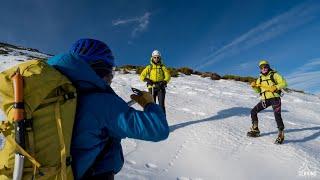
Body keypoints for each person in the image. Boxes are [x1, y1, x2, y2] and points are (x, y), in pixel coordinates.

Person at [48, 39, 169, 180]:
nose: (111, 78)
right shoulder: (102, 102)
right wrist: (149, 104)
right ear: (99, 69)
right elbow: (159, 129)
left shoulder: (57, 95)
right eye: (110, 71)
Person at [248, 60, 287, 144]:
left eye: (265, 66)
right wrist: (254, 86)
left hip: (275, 98)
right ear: (260, 69)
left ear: (268, 66)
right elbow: (258, 90)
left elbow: (284, 83)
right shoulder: (260, 79)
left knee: (277, 115)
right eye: (262, 67)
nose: (264, 68)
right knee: (253, 111)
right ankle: (255, 129)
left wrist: (276, 87)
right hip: (265, 100)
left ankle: (281, 135)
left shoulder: (274, 75)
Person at [140, 50, 171, 114]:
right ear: (152, 58)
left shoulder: (163, 67)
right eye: (155, 57)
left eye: (158, 57)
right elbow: (142, 76)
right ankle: (153, 121)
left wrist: (164, 82)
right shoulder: (149, 67)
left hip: (160, 87)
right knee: (152, 105)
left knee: (161, 105)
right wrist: (147, 80)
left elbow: (168, 76)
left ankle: (163, 121)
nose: (156, 59)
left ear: (160, 58)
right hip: (152, 87)